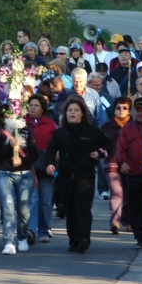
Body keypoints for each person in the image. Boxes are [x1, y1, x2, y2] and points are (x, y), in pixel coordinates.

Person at [45, 96, 113, 254]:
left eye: (76, 110)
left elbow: (108, 144)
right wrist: (49, 164)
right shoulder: (59, 133)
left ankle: (83, 238)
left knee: (82, 208)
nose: (72, 113)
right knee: (70, 209)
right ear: (65, 113)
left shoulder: (91, 131)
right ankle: (73, 240)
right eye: (70, 110)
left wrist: (99, 153)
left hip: (86, 176)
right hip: (65, 177)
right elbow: (50, 151)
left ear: (82, 113)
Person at [0, 106, 39, 254]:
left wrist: (22, 162)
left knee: (23, 209)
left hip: (24, 174)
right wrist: (9, 147)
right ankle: (8, 241)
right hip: (4, 173)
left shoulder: (26, 131)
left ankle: (22, 237)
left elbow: (35, 154)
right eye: (7, 115)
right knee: (7, 207)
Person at [117, 97, 142, 248]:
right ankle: (140, 237)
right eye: (138, 110)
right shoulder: (127, 128)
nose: (140, 113)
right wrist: (123, 162)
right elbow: (120, 148)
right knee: (134, 206)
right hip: (133, 174)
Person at [25, 94, 58, 243]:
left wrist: (57, 154)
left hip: (46, 165)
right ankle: (31, 230)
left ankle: (44, 230)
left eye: (36, 105)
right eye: (31, 105)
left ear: (43, 108)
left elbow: (58, 143)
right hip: (29, 164)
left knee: (45, 199)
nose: (33, 108)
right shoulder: (21, 123)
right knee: (33, 198)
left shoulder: (51, 124)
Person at [100, 96, 132, 234]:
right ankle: (115, 222)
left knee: (129, 194)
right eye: (118, 107)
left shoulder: (133, 125)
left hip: (130, 165)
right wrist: (102, 152)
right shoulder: (106, 126)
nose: (121, 110)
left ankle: (128, 221)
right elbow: (99, 143)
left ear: (129, 110)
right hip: (112, 163)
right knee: (117, 192)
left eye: (125, 107)